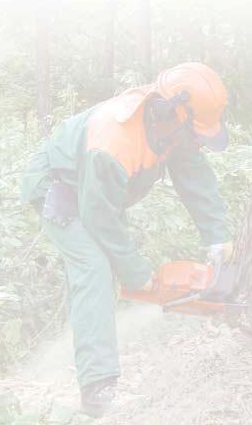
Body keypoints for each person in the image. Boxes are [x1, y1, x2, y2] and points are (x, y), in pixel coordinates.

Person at [20, 62, 233, 418]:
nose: (198, 141)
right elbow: (99, 216)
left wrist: (217, 236)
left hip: (96, 188)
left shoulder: (171, 122)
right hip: (59, 188)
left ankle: (96, 338)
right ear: (174, 114)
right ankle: (97, 388)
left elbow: (192, 170)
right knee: (94, 267)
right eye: (196, 133)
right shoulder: (113, 142)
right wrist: (136, 272)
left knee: (113, 260)